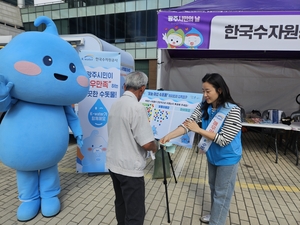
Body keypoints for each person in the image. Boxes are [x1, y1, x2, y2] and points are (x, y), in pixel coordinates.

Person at [160, 73, 242, 225]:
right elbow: (188, 124)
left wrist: (198, 130)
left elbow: (223, 140)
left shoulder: (233, 110)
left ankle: (217, 222)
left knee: (222, 193)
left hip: (228, 157)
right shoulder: (204, 107)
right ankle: (215, 215)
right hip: (212, 156)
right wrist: (168, 136)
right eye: (203, 91)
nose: (204, 95)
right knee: (213, 188)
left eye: (208, 91)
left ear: (220, 90)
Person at [106, 71, 157, 225]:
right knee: (135, 212)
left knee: (121, 203)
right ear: (142, 89)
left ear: (124, 86)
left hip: (113, 164)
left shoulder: (115, 104)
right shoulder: (137, 107)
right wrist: (157, 146)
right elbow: (147, 143)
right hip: (130, 169)